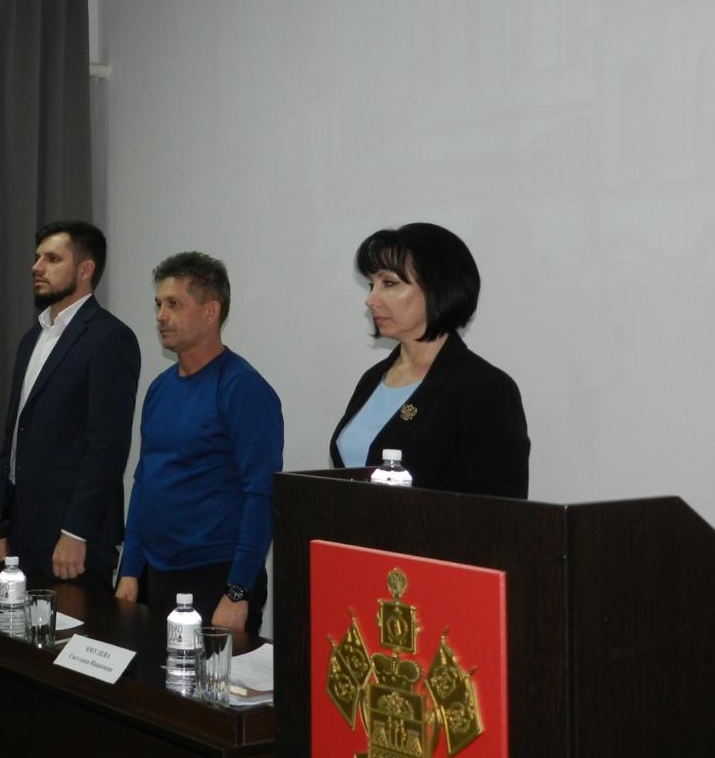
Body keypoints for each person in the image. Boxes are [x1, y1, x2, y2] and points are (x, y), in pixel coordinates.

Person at [115, 252, 283, 635]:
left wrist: (237, 590)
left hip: (215, 577)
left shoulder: (243, 388)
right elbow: (144, 483)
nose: (160, 316)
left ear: (210, 313)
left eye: (174, 304)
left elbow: (263, 494)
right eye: (158, 304)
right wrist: (130, 569)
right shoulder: (159, 388)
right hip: (155, 573)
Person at [0, 220, 141, 590]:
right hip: (22, 532)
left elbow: (108, 448)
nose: (36, 267)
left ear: (85, 269)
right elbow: (14, 436)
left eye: (52, 259)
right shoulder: (31, 339)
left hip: (74, 542)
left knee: (74, 629)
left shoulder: (109, 338)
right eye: (37, 257)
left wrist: (76, 532)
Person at [329, 222, 529, 497]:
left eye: (389, 283)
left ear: (438, 288)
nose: (371, 299)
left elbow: (502, 511)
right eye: (371, 285)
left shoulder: (485, 388)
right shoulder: (373, 378)